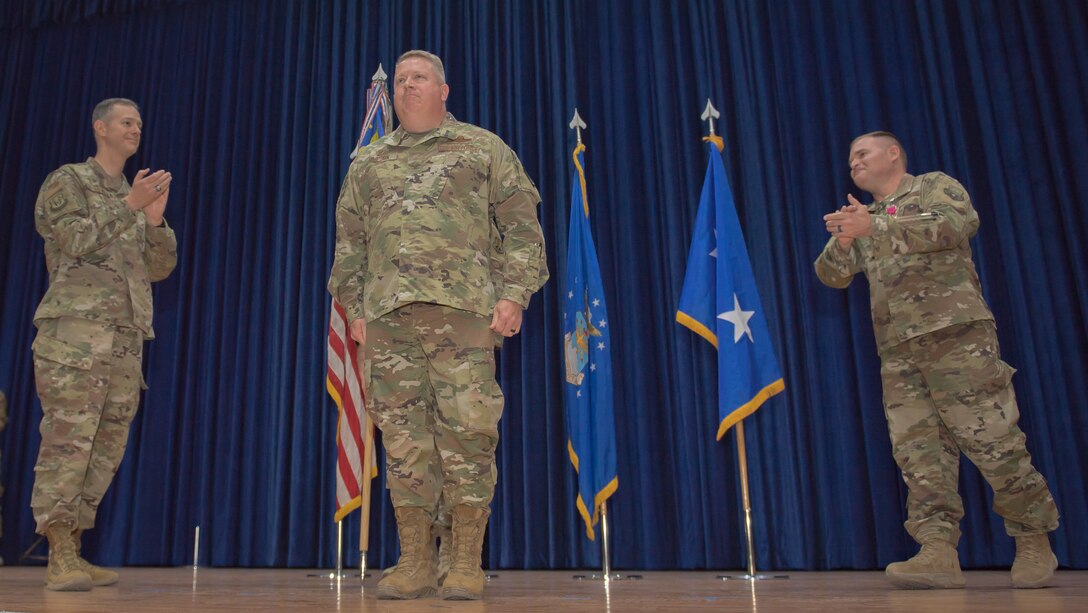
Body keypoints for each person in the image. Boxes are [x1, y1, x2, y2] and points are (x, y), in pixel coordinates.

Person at [330, 50, 547, 600]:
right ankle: (414, 561)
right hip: (387, 322)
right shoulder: (368, 163)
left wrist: (515, 294)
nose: (407, 87)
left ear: (443, 90)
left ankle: (465, 560)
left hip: (465, 317)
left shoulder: (482, 147)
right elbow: (349, 246)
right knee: (405, 443)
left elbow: (523, 229)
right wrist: (354, 309)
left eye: (419, 78)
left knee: (468, 436)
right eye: (400, 80)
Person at [814, 132, 1060, 589]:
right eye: (849, 159)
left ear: (893, 154)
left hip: (957, 339)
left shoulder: (932, 187)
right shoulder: (863, 218)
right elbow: (831, 276)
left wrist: (877, 227)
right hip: (899, 352)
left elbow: (955, 224)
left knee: (993, 441)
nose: (854, 163)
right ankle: (936, 550)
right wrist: (846, 240)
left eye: (862, 154)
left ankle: (1032, 538)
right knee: (919, 454)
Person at [30, 98, 177, 591]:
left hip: (124, 340)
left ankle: (76, 542)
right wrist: (129, 207)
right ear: (100, 128)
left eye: (139, 123)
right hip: (74, 337)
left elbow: (158, 269)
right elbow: (74, 240)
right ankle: (59, 552)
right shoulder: (68, 181)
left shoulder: (132, 195)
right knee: (68, 443)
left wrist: (153, 222)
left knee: (106, 447)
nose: (136, 129)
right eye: (126, 122)